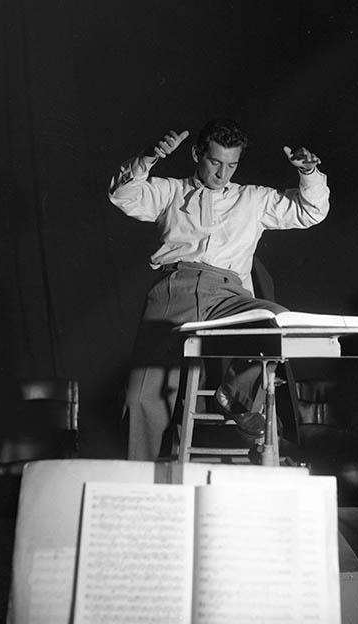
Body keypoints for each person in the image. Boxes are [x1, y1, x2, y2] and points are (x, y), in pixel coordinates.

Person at [109, 118, 330, 461]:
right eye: (214, 162)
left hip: (227, 295)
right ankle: (141, 480)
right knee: (140, 396)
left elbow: (310, 211)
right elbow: (123, 195)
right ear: (197, 154)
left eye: (231, 165)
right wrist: (150, 157)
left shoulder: (253, 199)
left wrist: (309, 175)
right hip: (175, 288)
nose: (222, 173)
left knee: (277, 319)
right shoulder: (171, 191)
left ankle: (234, 397)